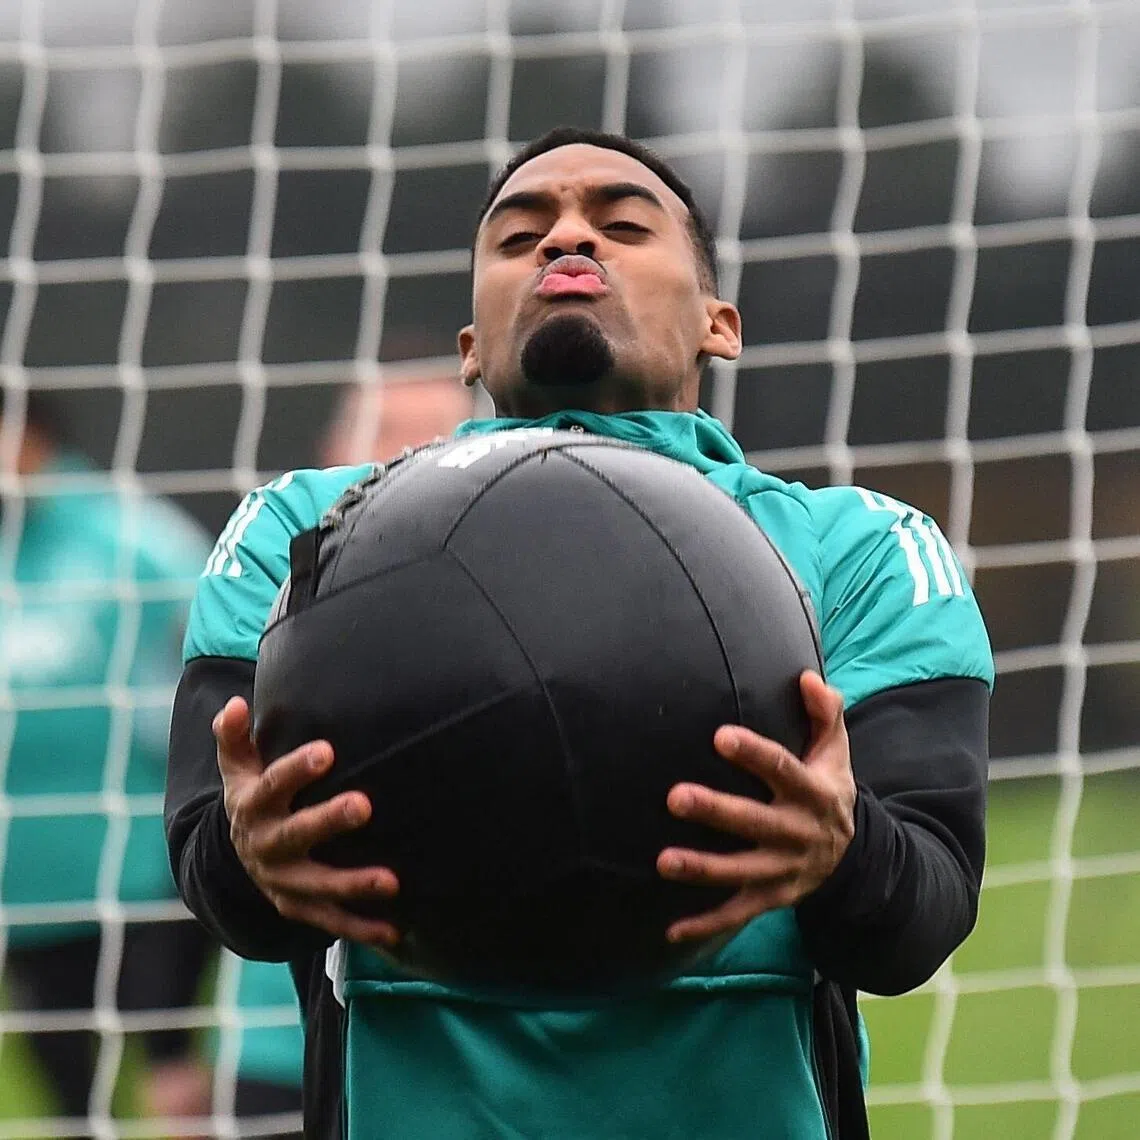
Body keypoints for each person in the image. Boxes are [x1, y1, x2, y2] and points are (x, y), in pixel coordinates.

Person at [165, 126, 994, 1140]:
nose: (566, 239)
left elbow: (922, 918)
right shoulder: (305, 536)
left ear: (719, 324)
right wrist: (251, 860)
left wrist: (845, 851)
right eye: (519, 237)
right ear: (470, 347)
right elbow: (216, 866)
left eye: (621, 223)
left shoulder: (861, 548)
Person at [224, 373, 475, 1139]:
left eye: (439, 434)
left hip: (462, 1021)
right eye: (385, 429)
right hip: (280, 1036)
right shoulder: (273, 590)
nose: (410, 453)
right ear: (333, 451)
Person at [0, 391, 213, 1134]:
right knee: (64, 1085)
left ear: (31, 435)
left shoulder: (131, 538)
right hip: (28, 880)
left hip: (138, 868)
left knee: (169, 1068)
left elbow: (209, 654)